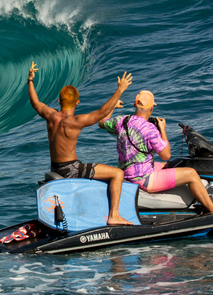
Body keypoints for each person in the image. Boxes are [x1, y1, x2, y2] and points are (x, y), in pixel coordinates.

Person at [27, 61, 134, 226]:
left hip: (55, 168)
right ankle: (114, 215)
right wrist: (120, 90)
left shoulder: (50, 116)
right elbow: (102, 112)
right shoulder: (75, 121)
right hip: (72, 169)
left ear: (59, 101)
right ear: (77, 103)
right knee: (118, 174)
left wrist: (30, 80)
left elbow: (35, 103)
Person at [98, 90, 213, 214]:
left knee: (169, 165)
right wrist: (162, 129)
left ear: (134, 105)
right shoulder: (150, 129)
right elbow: (165, 155)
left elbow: (102, 123)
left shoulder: (122, 121)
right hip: (142, 179)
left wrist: (112, 106)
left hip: (126, 173)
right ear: (151, 108)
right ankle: (212, 208)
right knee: (191, 174)